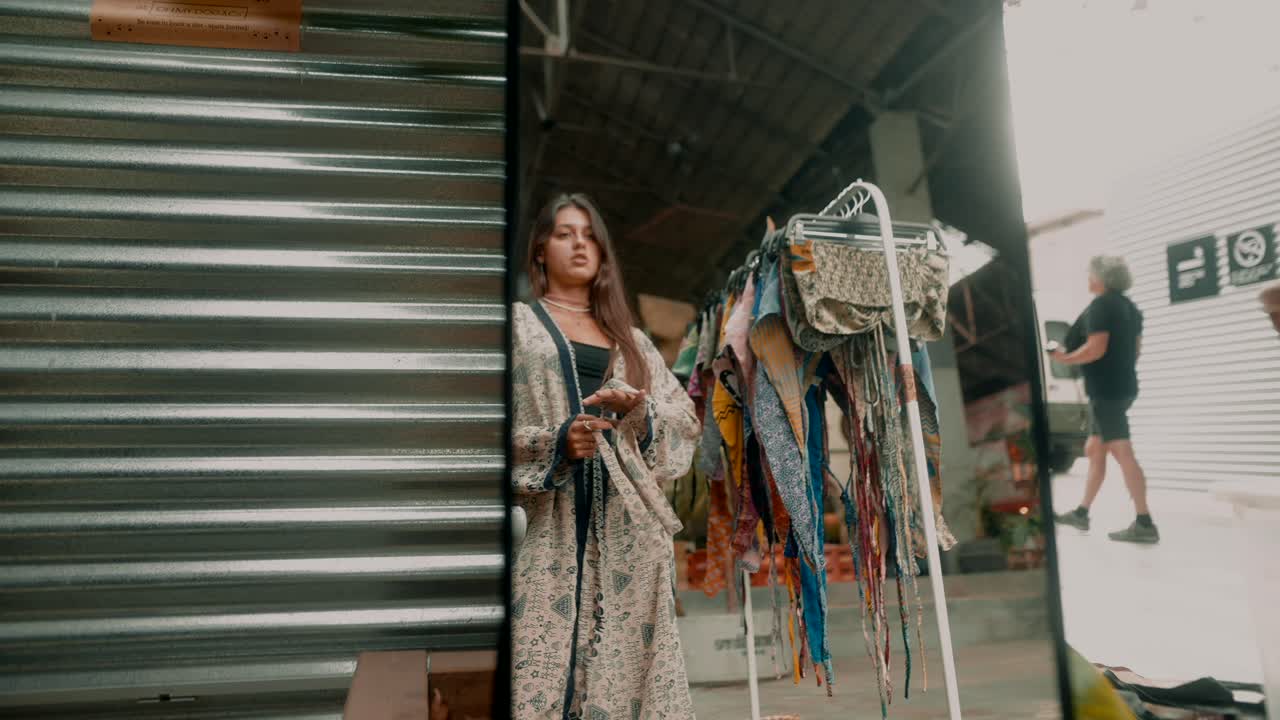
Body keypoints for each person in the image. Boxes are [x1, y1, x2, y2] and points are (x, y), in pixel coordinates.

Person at [510, 193, 700, 719]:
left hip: (629, 542)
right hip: (546, 530)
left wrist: (639, 412)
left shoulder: (632, 341)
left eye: (590, 236)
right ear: (540, 249)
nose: (579, 244)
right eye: (565, 233)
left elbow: (685, 422)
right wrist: (557, 443)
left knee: (627, 680)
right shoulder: (517, 327)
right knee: (533, 673)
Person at [1051, 255, 1157, 544]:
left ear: (1100, 278)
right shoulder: (1131, 308)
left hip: (1106, 392)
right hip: (1124, 387)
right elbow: (1136, 350)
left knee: (1123, 452)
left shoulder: (1101, 306)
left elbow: (1095, 348)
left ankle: (1145, 522)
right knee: (1095, 449)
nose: (1088, 278)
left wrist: (1064, 358)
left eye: (1090, 273)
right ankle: (1081, 513)